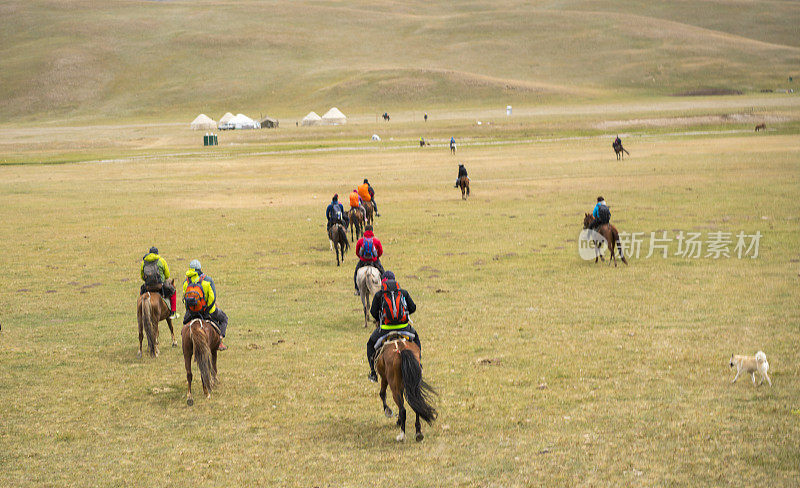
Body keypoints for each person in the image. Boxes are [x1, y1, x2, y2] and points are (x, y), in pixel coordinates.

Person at [365, 271, 420, 382]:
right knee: (417, 339)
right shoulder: (403, 293)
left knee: (370, 344)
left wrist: (380, 319)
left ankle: (373, 373)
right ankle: (419, 365)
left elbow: (373, 312)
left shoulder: (379, 295)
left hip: (386, 329)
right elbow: (413, 308)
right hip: (404, 327)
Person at [183, 260, 229, 351]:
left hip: (192, 313)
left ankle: (185, 343)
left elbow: (185, 298)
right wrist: (207, 310)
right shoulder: (207, 280)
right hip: (208, 311)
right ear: (199, 269)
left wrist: (190, 310)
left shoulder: (186, 282)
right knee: (224, 319)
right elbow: (212, 297)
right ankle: (220, 341)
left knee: (185, 324)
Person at [140, 246, 179, 320]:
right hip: (159, 286)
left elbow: (142, 277)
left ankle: (141, 310)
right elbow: (167, 275)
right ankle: (173, 312)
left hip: (148, 286)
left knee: (141, 293)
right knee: (173, 291)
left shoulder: (144, 262)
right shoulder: (161, 260)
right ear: (157, 253)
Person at [353, 224, 384, 295]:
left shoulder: (360, 240)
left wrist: (361, 258)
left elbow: (357, 252)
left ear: (365, 231)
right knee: (382, 272)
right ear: (372, 231)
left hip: (363, 261)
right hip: (374, 261)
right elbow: (381, 252)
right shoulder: (376, 240)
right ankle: (383, 288)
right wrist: (376, 258)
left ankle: (357, 290)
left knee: (356, 273)